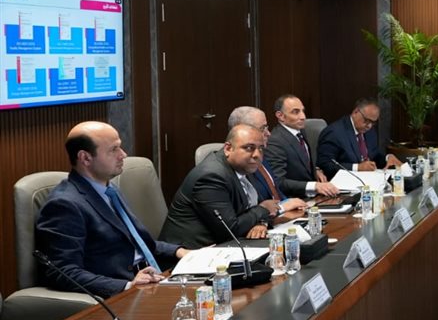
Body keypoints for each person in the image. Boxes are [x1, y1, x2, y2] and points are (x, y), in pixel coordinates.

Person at [35, 121, 189, 298]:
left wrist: (181, 252)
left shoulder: (109, 190)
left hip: (152, 278)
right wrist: (127, 286)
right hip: (122, 292)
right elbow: (63, 272)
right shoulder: (64, 204)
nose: (123, 155)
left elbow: (136, 242)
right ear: (85, 158)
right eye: (113, 149)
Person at [160, 124, 281, 248]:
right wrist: (263, 209)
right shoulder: (211, 176)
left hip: (226, 244)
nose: (257, 155)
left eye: (261, 148)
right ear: (228, 149)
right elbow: (230, 229)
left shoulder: (244, 166)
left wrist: (261, 223)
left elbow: (254, 206)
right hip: (192, 251)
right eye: (249, 148)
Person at [262, 95, 340, 198]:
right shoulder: (275, 141)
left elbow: (302, 161)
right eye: (295, 112)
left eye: (303, 111)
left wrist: (315, 170)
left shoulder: (300, 131)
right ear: (280, 116)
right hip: (294, 199)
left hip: (313, 196)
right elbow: (278, 181)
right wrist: (314, 186)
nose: (303, 117)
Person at [317, 98, 401, 178]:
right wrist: (357, 167)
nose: (369, 126)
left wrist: (387, 158)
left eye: (373, 122)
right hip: (345, 182)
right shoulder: (334, 133)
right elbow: (325, 164)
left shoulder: (370, 132)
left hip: (370, 180)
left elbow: (375, 156)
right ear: (356, 112)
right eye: (366, 120)